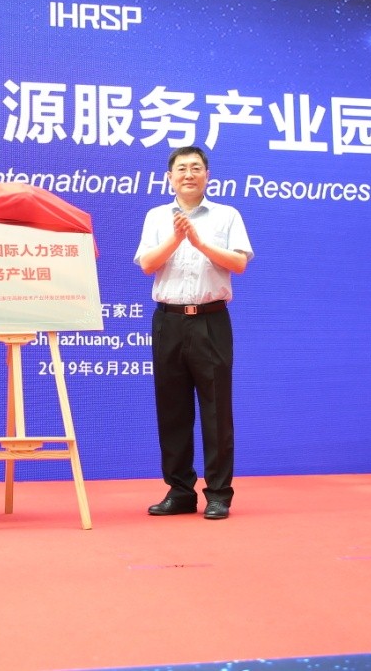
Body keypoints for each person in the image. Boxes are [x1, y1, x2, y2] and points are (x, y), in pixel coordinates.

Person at [134, 146, 253, 520]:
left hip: (210, 320)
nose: (189, 174)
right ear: (169, 177)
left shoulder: (227, 215)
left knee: (217, 409)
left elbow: (239, 263)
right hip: (168, 321)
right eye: (182, 168)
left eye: (196, 168)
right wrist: (177, 238)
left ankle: (218, 493)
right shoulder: (156, 216)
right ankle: (180, 491)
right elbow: (147, 264)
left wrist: (199, 243)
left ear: (207, 175)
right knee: (172, 409)